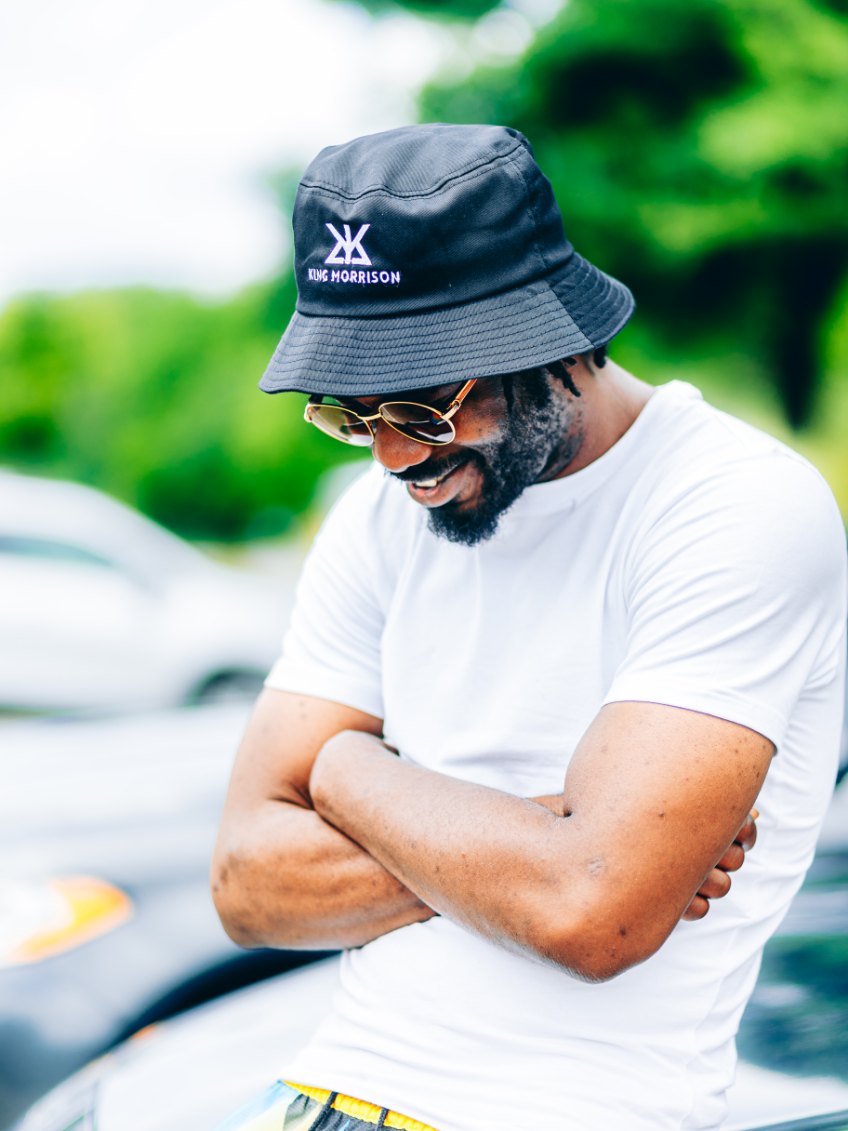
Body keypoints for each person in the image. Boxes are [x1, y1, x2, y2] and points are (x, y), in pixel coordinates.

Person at [211, 124, 847, 1131]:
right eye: (346, 411)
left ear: (547, 338)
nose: (386, 457)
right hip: (322, 1097)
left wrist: (343, 773)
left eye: (422, 407)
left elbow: (589, 911)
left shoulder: (731, 505)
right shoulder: (376, 519)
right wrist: (522, 840)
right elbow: (246, 883)